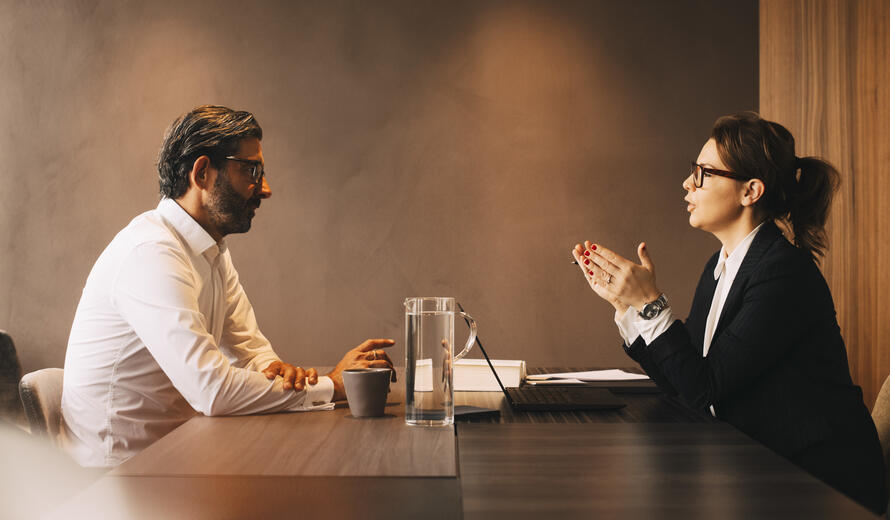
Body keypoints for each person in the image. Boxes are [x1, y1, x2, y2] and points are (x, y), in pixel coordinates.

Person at [571, 112, 887, 514]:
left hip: (820, 484)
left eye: (703, 173)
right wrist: (629, 306)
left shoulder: (783, 273)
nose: (687, 183)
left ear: (750, 191)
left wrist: (651, 304)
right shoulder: (720, 265)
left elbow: (706, 388)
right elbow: (685, 383)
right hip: (760, 468)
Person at [61, 105, 395, 468]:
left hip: (180, 460)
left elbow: (250, 351)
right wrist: (333, 385)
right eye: (251, 170)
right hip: (120, 478)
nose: (265, 189)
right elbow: (212, 389)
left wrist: (280, 372)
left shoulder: (212, 250)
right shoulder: (151, 253)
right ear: (202, 172)